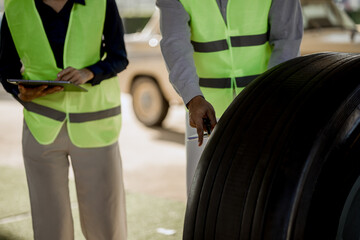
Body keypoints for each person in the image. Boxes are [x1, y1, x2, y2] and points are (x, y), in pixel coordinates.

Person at [0, 0, 128, 239]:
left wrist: (88, 72)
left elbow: (119, 56)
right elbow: (5, 66)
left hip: (95, 127)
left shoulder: (101, 2)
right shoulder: (15, 6)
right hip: (41, 128)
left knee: (106, 225)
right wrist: (21, 92)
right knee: (49, 227)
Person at [156, 0, 303, 193]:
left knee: (265, 195)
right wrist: (193, 98)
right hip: (205, 115)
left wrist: (271, 98)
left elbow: (287, 43)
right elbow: (175, 44)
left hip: (264, 110)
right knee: (204, 197)